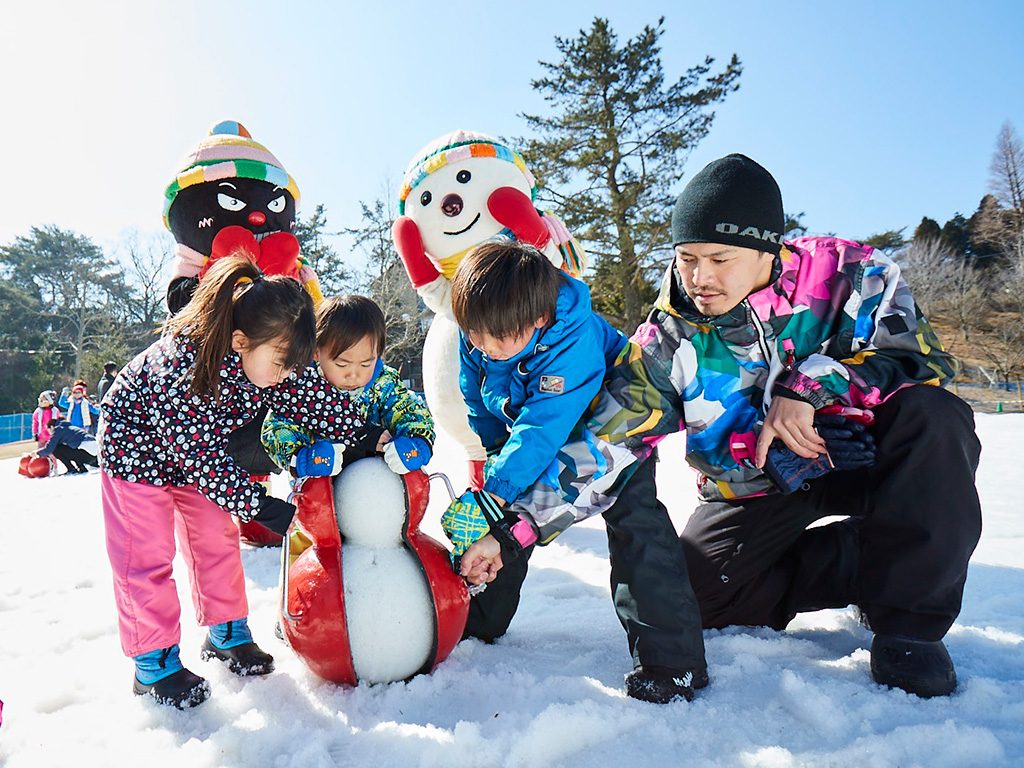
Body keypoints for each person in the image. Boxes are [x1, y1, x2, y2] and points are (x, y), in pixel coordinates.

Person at [632, 153, 981, 698]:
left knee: (935, 419)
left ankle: (909, 626)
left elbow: (922, 360)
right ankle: (874, 559)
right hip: (760, 479)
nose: (700, 278)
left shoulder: (851, 272)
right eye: (686, 259)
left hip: (861, 454)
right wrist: (511, 527)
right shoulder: (667, 338)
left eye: (719, 258)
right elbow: (606, 442)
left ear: (766, 249)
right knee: (703, 598)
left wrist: (811, 390)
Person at [440, 240, 708, 703]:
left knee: (635, 526)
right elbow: (476, 394)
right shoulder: (483, 333)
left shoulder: (573, 339)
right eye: (473, 335)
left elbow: (547, 425)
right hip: (531, 427)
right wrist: (493, 455)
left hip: (615, 426)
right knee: (500, 520)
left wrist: (501, 487)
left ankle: (672, 660)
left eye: (494, 338)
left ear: (539, 319)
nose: (482, 346)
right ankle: (477, 619)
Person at [99, 255, 362, 709]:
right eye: (282, 363)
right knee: (147, 559)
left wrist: (364, 433)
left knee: (216, 541)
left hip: (196, 457)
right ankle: (152, 661)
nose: (287, 375)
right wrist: (257, 505)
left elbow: (314, 401)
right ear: (240, 340)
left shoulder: (273, 359)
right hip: (135, 456)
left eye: (294, 365)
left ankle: (226, 632)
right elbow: (200, 456)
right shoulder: (184, 365)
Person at [261, 295, 435, 478]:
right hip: (321, 481)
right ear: (316, 352)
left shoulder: (385, 385)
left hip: (379, 478)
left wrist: (416, 444)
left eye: (366, 364)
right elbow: (277, 427)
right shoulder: (301, 389)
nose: (353, 374)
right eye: (342, 364)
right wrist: (302, 458)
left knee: (413, 479)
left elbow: (411, 412)